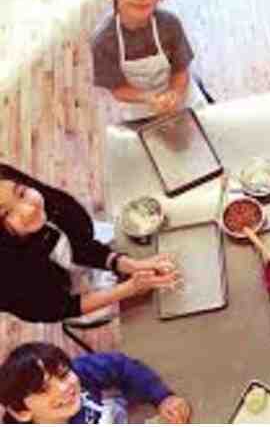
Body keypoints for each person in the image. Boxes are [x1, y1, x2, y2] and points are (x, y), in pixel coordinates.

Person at [0, 163, 178, 323]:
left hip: (68, 266)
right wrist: (129, 289)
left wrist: (132, 265)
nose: (29, 210)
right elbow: (60, 307)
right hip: (61, 294)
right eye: (6, 214)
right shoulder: (9, 280)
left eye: (21, 193)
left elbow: (82, 247)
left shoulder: (52, 209)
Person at [91, 0, 212, 122]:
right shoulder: (103, 41)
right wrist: (149, 98)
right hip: (141, 109)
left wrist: (174, 94)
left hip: (184, 99)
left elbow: (180, 70)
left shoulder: (170, 24)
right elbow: (117, 88)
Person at [0, 342, 190, 423]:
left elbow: (120, 365)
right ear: (22, 413)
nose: (64, 387)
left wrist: (162, 397)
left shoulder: (79, 371)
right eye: (43, 389)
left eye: (64, 375)